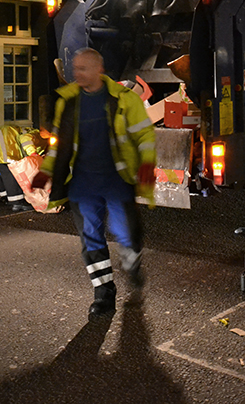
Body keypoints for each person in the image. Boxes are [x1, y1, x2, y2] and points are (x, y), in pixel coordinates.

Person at [33, 48, 156, 320]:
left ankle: (131, 262)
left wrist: (147, 164)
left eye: (83, 69)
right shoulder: (69, 102)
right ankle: (103, 293)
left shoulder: (123, 99)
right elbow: (60, 144)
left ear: (99, 69)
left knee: (128, 235)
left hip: (117, 180)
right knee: (90, 239)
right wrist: (46, 171)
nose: (76, 74)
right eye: (74, 68)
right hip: (82, 184)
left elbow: (145, 135)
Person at [0, 125, 40, 212]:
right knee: (11, 170)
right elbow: (26, 140)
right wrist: (33, 154)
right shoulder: (36, 134)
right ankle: (18, 202)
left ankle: (5, 196)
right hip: (2, 139)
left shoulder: (24, 130)